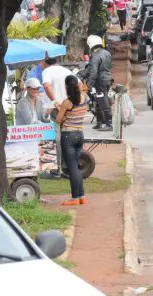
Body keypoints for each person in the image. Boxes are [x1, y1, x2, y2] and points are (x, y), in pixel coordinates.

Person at [57, 75, 88, 206]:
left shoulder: (67, 102)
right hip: (79, 135)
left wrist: (61, 111)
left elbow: (58, 119)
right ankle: (82, 196)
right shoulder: (84, 98)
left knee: (72, 168)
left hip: (68, 136)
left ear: (66, 87)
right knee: (76, 166)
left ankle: (75, 198)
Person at [79, 35, 113, 131]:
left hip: (100, 82)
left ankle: (108, 124)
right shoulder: (107, 53)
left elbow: (93, 72)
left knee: (103, 101)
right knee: (98, 101)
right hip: (107, 80)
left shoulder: (95, 56)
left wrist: (88, 85)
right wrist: (82, 74)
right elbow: (91, 68)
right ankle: (100, 122)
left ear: (91, 45)